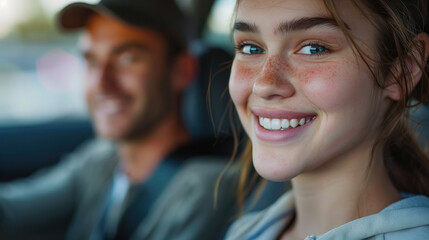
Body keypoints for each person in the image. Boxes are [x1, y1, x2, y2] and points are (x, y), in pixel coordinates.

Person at [0, 0, 237, 239]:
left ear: (181, 71)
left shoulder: (209, 188)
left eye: (127, 59)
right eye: (92, 61)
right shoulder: (102, 160)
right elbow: (9, 212)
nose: (102, 84)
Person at [225, 0, 429, 239]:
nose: (264, 84)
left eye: (314, 48)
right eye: (251, 48)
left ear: (402, 69)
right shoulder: (243, 232)